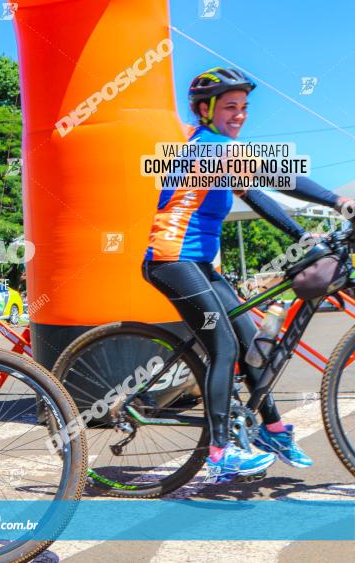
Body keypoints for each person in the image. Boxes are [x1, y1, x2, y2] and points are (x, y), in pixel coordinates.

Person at [143, 67, 355, 483]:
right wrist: (336, 200)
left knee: (252, 341)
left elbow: (257, 197)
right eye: (229, 107)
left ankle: (272, 430)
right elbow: (281, 177)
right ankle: (219, 454)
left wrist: (300, 236)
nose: (239, 115)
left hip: (201, 264)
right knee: (223, 345)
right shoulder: (208, 146)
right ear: (205, 111)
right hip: (171, 261)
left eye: (243, 108)